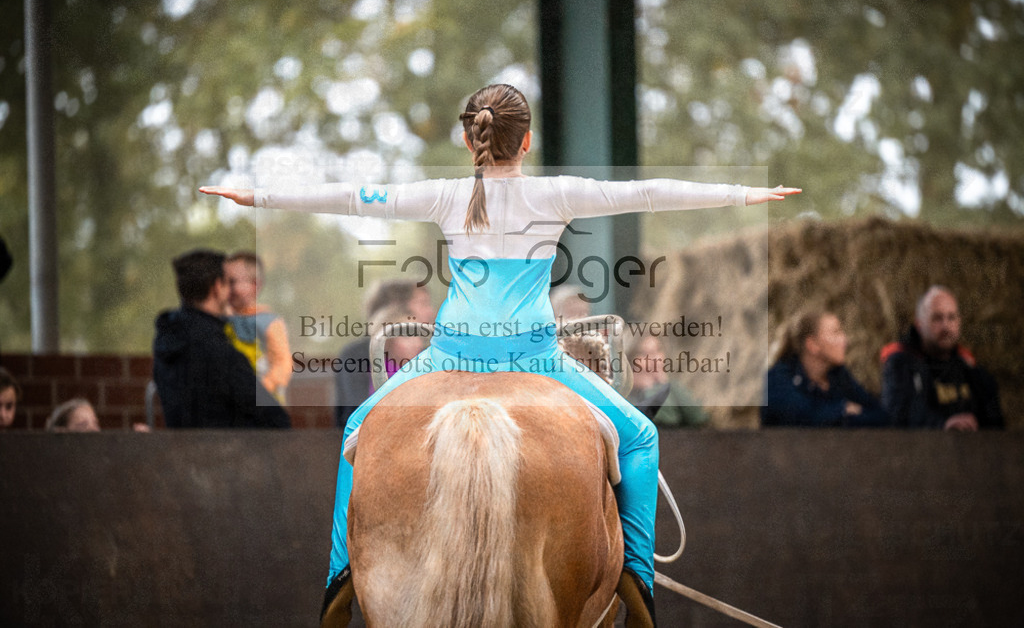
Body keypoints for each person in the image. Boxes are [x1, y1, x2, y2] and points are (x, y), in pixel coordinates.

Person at [200, 83, 800, 623]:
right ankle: (637, 582)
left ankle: (339, 579)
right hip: (534, 356)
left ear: (470, 140)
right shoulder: (556, 194)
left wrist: (257, 197)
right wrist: (745, 194)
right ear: (527, 141)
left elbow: (351, 198)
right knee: (640, 437)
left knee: (359, 429)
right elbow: (649, 192)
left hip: (450, 354)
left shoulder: (443, 195)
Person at [153, 249, 291, 429]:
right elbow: (276, 421)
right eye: (228, 282)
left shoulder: (167, 338)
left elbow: (282, 363)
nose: (231, 291)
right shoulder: (219, 353)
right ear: (217, 287)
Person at [880, 286, 1003, 430]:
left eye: (951, 317)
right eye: (937, 318)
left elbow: (994, 419)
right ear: (919, 325)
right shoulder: (901, 364)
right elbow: (899, 412)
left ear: (959, 322)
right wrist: (942, 425)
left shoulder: (969, 367)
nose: (946, 326)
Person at [333, 279, 434, 428]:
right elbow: (354, 415)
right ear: (396, 306)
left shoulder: (425, 353)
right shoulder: (356, 354)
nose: (431, 311)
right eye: (422, 303)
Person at [762, 310, 889, 427]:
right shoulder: (777, 380)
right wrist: (842, 410)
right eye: (836, 333)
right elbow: (804, 417)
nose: (845, 340)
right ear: (813, 345)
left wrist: (842, 416)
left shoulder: (838, 375)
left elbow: (881, 416)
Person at [224, 251, 292, 404]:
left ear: (254, 285)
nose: (226, 288)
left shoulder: (269, 322)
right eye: (224, 282)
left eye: (232, 282)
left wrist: (260, 390)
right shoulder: (223, 320)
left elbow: (282, 364)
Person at [628, 334, 710, 427]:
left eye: (657, 351)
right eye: (645, 354)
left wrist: (664, 385)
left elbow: (698, 417)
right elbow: (667, 419)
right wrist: (650, 389)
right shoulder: (627, 393)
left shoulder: (672, 386)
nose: (654, 359)